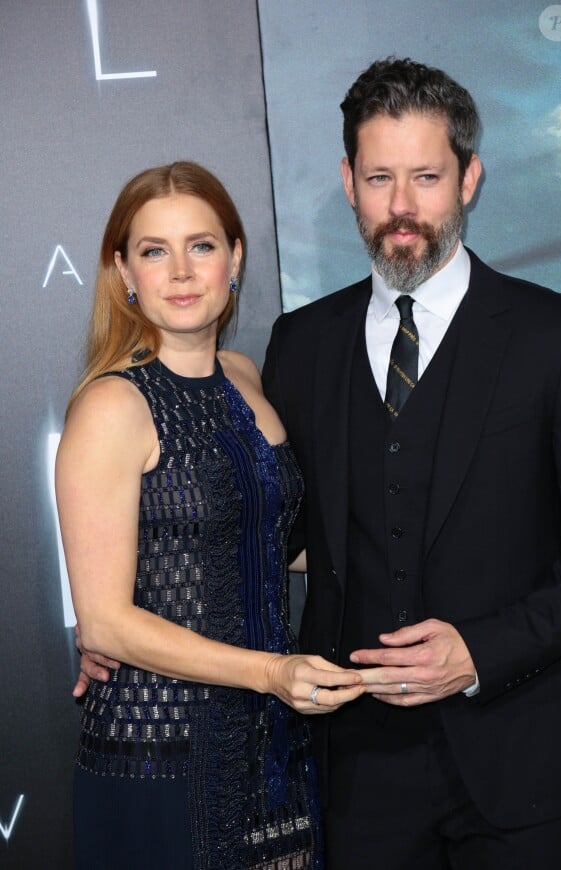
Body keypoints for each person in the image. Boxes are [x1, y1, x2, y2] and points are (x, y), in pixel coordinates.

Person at [259, 58, 561, 868]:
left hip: (524, 766)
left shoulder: (558, 337)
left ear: (470, 178)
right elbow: (272, 534)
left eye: (427, 176)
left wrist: (483, 652)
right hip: (356, 771)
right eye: (379, 178)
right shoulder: (301, 345)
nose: (402, 207)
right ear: (347, 181)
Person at [56, 161, 363, 869]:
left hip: (273, 744)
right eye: (153, 251)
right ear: (123, 271)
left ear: (235, 257)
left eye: (201, 245)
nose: (181, 271)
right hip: (158, 747)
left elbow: (274, 543)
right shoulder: (113, 406)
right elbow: (103, 622)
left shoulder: (248, 376)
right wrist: (270, 673)